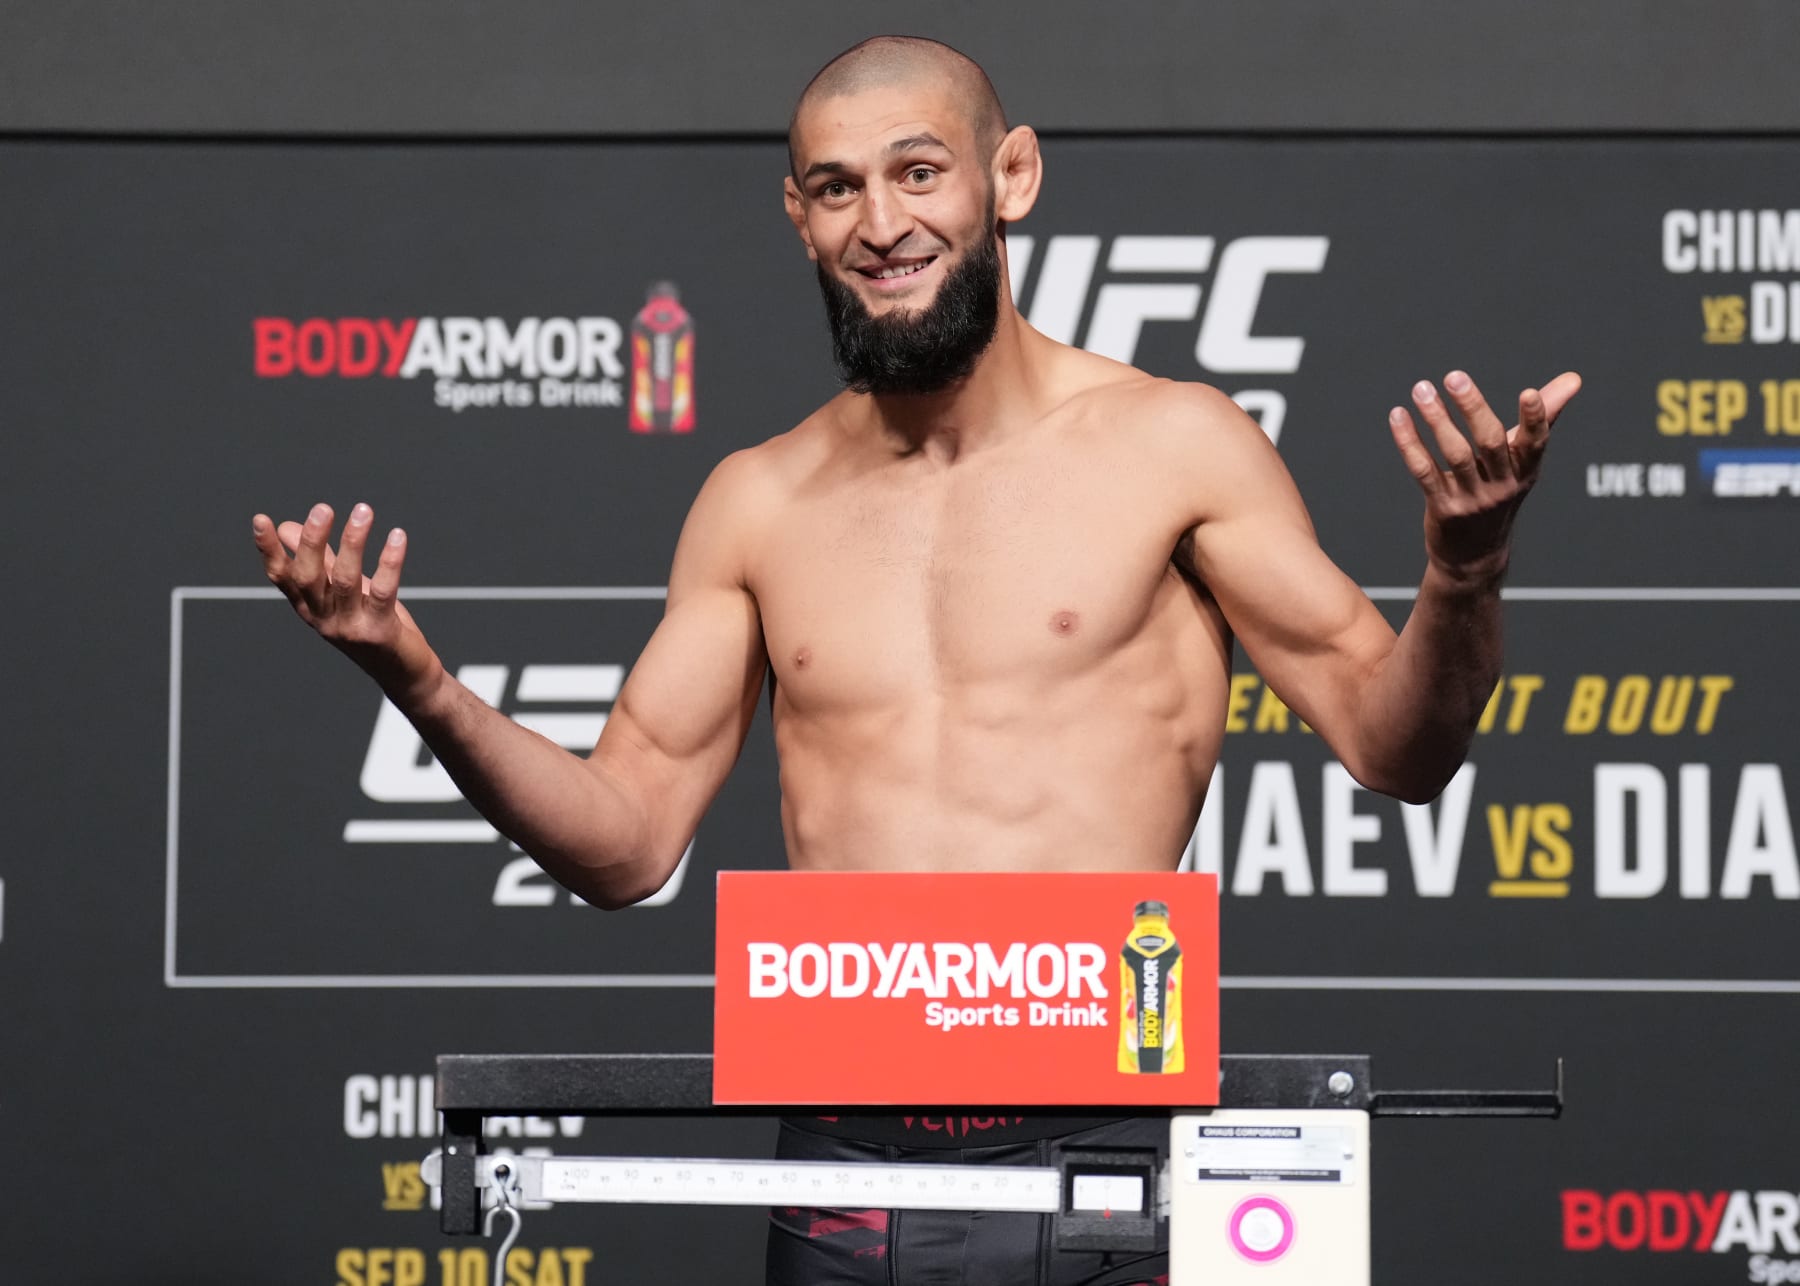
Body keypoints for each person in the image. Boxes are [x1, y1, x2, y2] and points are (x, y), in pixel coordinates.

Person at [252, 34, 1579, 1286]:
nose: (880, 223)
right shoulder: (756, 501)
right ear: (797, 216)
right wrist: (417, 679)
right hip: (842, 1160)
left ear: (1012, 177)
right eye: (837, 188)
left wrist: (1464, 572)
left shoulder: (1176, 445)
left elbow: (1396, 747)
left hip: (1112, 1145)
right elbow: (627, 839)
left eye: (917, 170)